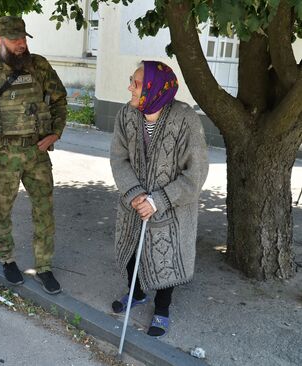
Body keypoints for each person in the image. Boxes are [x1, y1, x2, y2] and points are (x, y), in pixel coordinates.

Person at [0, 16, 67, 295]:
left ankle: (44, 266)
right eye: (14, 40)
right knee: (2, 209)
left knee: (44, 209)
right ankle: (6, 258)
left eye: (23, 38)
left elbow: (59, 99)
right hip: (3, 154)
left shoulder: (39, 65)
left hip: (37, 151)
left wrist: (56, 132)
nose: (21, 44)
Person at [109, 61, 209, 337]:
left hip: (172, 207)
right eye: (131, 79)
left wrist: (158, 200)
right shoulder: (126, 115)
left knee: (166, 256)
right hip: (134, 203)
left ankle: (162, 309)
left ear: (154, 88)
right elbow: (118, 159)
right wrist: (136, 194)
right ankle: (136, 293)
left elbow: (197, 172)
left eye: (137, 83)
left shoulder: (185, 119)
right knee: (133, 250)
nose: (130, 86)